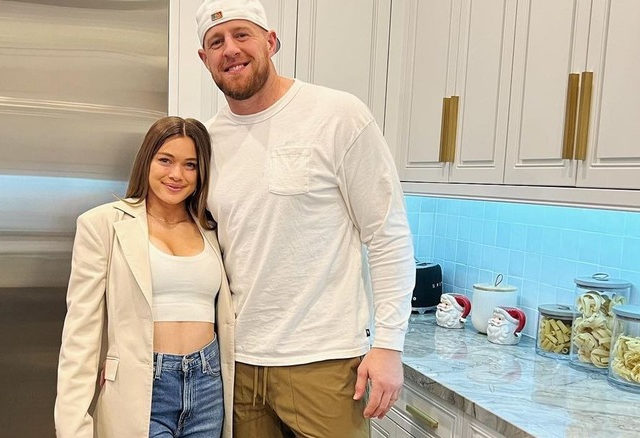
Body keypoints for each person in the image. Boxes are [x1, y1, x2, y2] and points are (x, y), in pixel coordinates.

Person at [194, 0, 415, 437]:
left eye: (242, 35)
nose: (230, 49)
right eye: (216, 42)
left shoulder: (337, 115)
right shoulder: (208, 141)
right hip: (239, 365)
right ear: (205, 60)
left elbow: (387, 234)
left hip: (325, 363)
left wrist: (389, 344)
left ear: (271, 42)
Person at [54, 116, 234, 438]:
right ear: (147, 161)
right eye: (165, 160)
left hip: (208, 387)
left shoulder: (212, 228)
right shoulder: (103, 225)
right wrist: (73, 426)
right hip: (143, 388)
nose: (176, 174)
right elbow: (80, 335)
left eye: (190, 165)